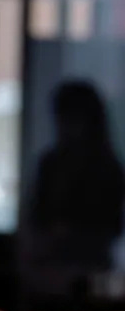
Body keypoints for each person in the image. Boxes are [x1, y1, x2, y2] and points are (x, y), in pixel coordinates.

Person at [30, 80, 125, 275]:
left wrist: (71, 232)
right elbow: (36, 216)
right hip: (52, 266)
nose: (64, 126)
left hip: (91, 267)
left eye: (71, 118)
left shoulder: (107, 168)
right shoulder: (50, 163)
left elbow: (112, 226)